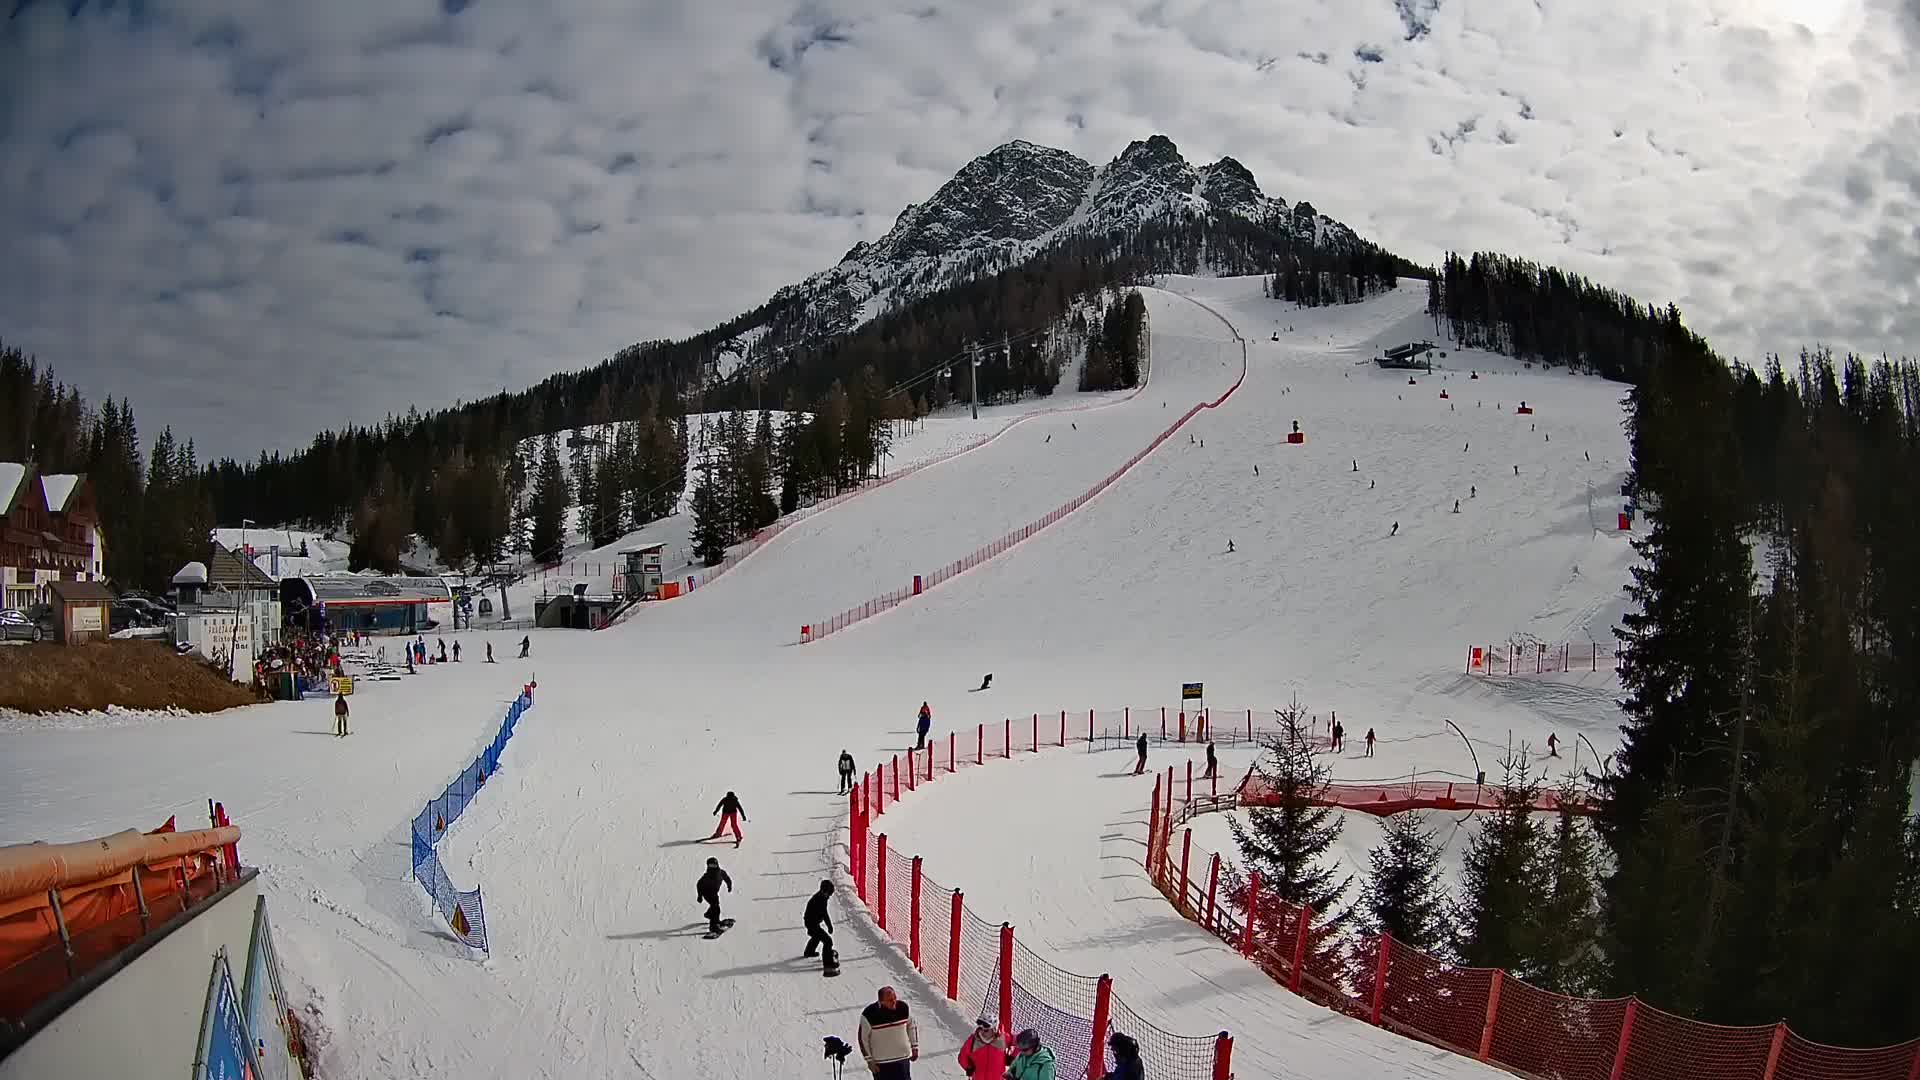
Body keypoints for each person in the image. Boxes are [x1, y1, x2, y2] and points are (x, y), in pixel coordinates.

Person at [857, 986, 919, 1079]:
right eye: (890, 1000)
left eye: (895, 998)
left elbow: (911, 1026)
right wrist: (869, 1060)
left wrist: (915, 1047)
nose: (894, 1002)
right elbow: (863, 1038)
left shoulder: (903, 1008)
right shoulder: (869, 1014)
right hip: (881, 1064)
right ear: (881, 1001)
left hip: (902, 1060)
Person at [803, 879, 838, 972]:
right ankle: (827, 963)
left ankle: (809, 952)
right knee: (828, 941)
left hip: (812, 923)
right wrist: (829, 925)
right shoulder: (818, 900)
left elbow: (824, 913)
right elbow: (824, 914)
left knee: (816, 937)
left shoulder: (822, 898)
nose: (829, 896)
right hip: (811, 923)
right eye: (829, 894)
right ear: (823, 891)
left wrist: (829, 925)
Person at [696, 857, 732, 936]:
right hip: (706, 893)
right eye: (710, 865)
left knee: (715, 906)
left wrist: (729, 885)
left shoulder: (721, 872)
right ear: (708, 866)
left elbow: (727, 878)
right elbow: (699, 884)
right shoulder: (707, 876)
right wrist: (699, 896)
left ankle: (710, 915)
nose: (712, 867)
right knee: (715, 908)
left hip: (714, 893)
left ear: (717, 864)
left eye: (714, 865)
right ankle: (713, 926)